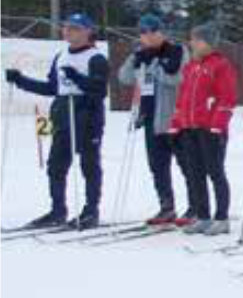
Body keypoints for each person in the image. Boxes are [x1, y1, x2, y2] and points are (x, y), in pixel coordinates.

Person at [5, 12, 109, 228]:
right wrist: (21, 80)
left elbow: (99, 90)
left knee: (89, 164)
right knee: (56, 165)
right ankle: (57, 210)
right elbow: (52, 88)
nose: (69, 32)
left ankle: (91, 211)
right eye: (67, 27)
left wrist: (77, 78)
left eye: (75, 28)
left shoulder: (95, 58)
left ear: (88, 32)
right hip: (63, 111)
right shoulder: (61, 56)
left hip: (87, 113)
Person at [115, 12, 186, 224]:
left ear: (161, 32)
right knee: (157, 165)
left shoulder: (176, 50)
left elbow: (177, 78)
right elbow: (124, 77)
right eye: (143, 33)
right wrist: (135, 59)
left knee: (186, 165)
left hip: (172, 117)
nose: (147, 37)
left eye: (151, 32)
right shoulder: (141, 54)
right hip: (150, 117)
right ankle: (166, 206)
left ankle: (197, 206)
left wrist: (155, 66)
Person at [170, 21, 238, 235]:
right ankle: (202, 214)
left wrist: (218, 124)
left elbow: (227, 96)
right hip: (190, 128)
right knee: (194, 173)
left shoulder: (220, 65)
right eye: (192, 39)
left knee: (215, 172)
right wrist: (176, 123)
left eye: (196, 40)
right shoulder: (190, 67)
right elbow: (182, 98)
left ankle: (222, 217)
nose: (192, 43)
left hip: (210, 129)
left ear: (208, 43)